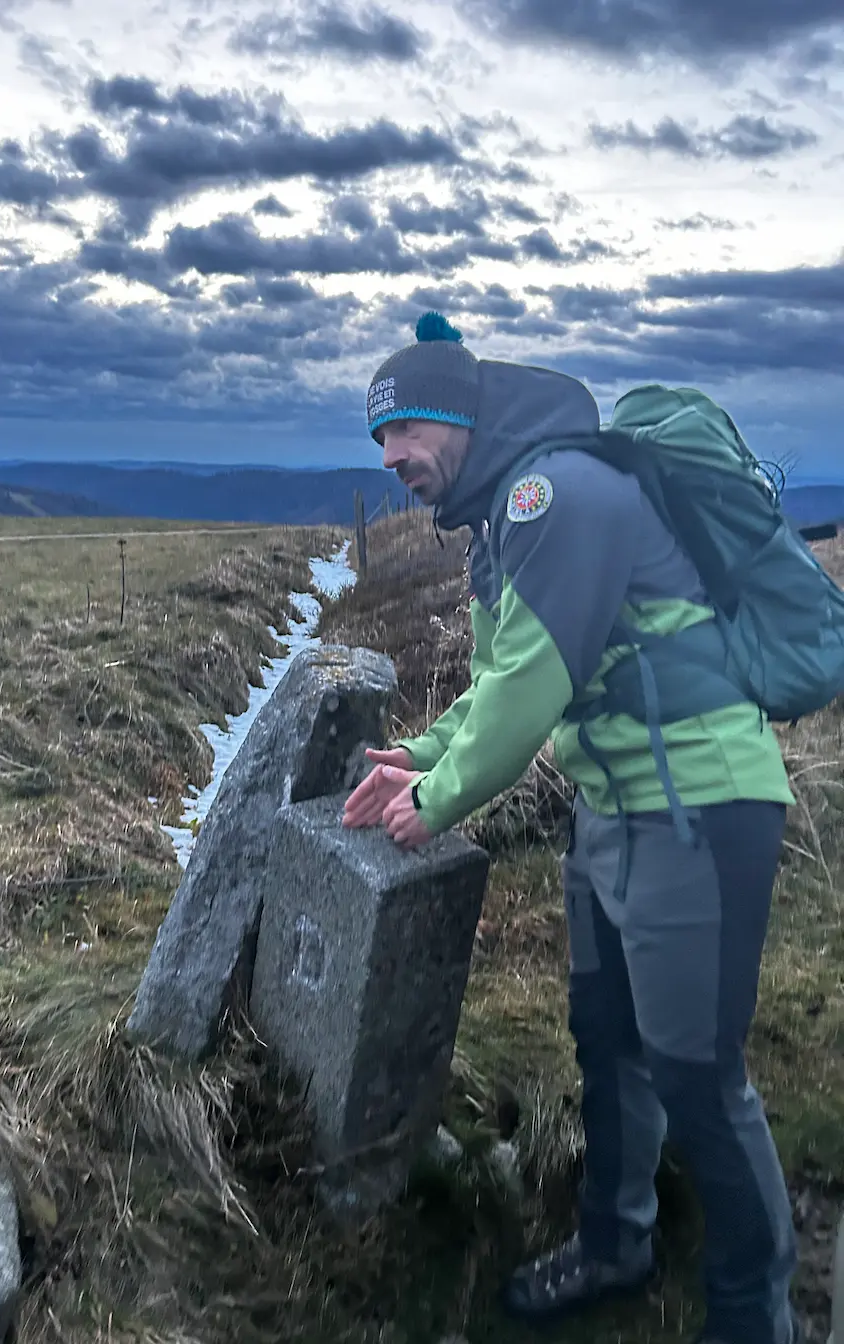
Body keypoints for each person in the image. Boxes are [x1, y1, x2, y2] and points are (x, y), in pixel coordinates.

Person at [343, 312, 800, 1344]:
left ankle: (753, 1314)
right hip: (615, 813)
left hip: (702, 803)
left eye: (404, 431)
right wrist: (419, 755)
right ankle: (614, 1244)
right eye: (377, 443)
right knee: (611, 1044)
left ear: (457, 417)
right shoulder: (503, 520)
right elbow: (494, 687)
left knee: (696, 1072)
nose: (391, 458)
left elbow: (527, 702)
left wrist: (440, 801)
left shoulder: (557, 495)